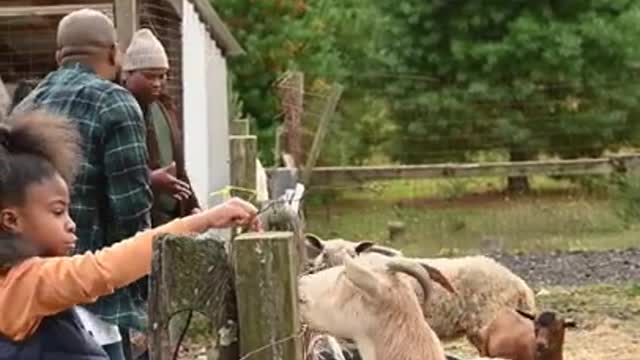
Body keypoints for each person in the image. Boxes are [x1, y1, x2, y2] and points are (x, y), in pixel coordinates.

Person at [0, 110, 260, 359]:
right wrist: (203, 220)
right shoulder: (28, 282)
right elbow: (106, 267)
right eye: (57, 212)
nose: (71, 224)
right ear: (11, 220)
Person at [11, 9, 154, 359]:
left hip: (35, 292)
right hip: (99, 289)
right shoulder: (116, 101)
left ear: (59, 56)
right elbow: (132, 205)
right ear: (113, 53)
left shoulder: (25, 107)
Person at [122, 28, 200, 226]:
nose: (157, 83)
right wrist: (149, 180)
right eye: (150, 76)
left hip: (171, 218)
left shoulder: (164, 109)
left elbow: (178, 169)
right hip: (140, 222)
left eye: (162, 76)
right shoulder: (119, 112)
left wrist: (192, 206)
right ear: (128, 74)